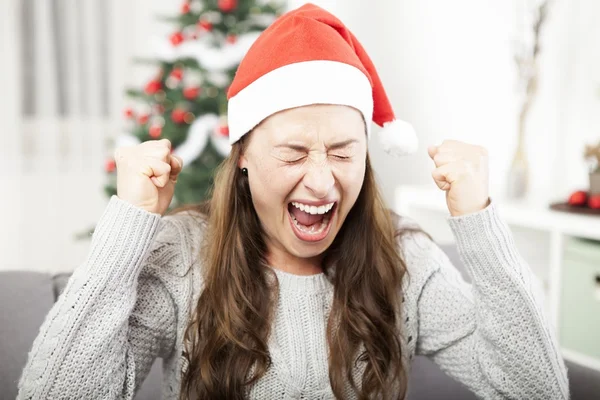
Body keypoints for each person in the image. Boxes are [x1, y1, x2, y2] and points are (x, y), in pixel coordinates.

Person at [18, 3, 568, 400]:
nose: (323, 183)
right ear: (243, 158)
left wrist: (479, 221)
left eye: (343, 152)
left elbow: (537, 389)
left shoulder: (405, 259)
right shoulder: (182, 258)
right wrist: (129, 226)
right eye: (294, 153)